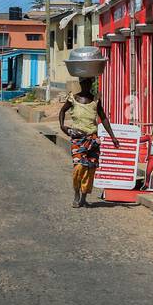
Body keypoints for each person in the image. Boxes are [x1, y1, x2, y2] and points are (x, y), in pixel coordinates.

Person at [58, 78, 118, 208]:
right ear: (81, 84)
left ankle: (84, 197)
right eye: (84, 83)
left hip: (92, 139)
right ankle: (76, 194)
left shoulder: (96, 100)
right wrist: (62, 126)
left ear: (91, 85)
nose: (87, 86)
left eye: (89, 83)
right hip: (78, 138)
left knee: (90, 168)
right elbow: (62, 111)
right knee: (79, 167)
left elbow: (104, 118)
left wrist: (113, 137)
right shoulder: (73, 99)